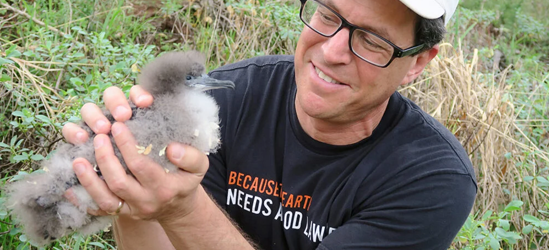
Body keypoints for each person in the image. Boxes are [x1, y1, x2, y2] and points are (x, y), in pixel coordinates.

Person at [62, 0, 477, 249]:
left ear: (418, 62)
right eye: (329, 15)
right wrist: (130, 189)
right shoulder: (228, 98)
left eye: (372, 40)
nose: (332, 52)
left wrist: (183, 210)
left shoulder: (431, 180)